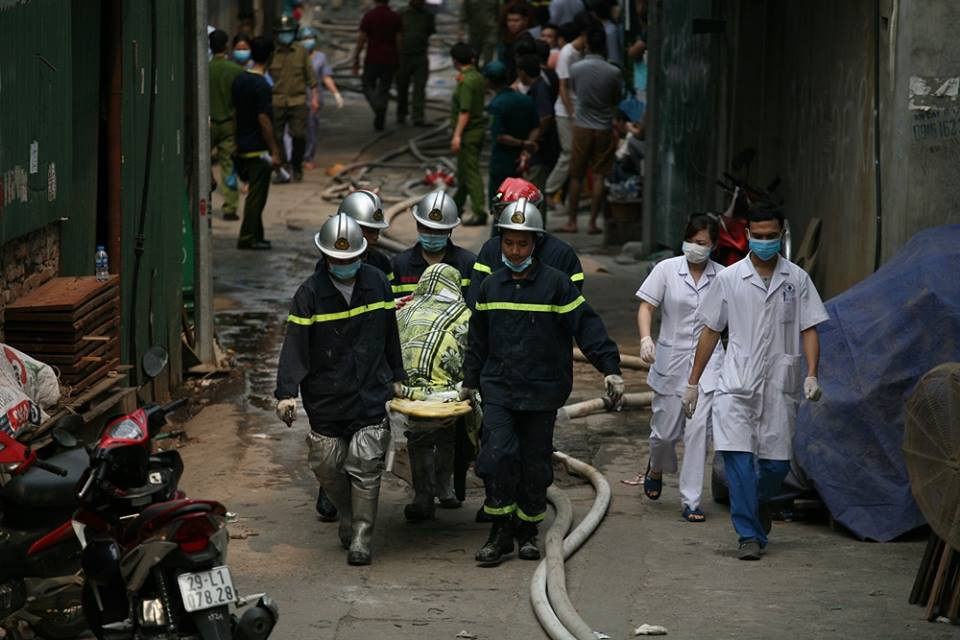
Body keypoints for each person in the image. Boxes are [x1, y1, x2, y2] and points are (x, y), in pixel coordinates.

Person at [463, 197, 624, 565]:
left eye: (523, 243)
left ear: (536, 244)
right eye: (509, 243)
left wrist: (610, 367)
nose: (515, 251)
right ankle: (499, 532)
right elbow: (478, 340)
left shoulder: (557, 286)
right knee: (497, 456)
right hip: (499, 388)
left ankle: (527, 530)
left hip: (542, 389)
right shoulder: (491, 287)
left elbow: (587, 327)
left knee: (535, 463)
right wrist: (469, 382)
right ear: (500, 242)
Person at [685, 208, 828, 560]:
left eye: (771, 235)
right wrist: (693, 382)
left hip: (780, 384)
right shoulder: (730, 278)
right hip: (736, 382)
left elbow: (809, 328)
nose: (765, 242)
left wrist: (811, 373)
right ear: (748, 234)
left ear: (782, 234)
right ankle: (748, 535)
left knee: (776, 465)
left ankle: (760, 503)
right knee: (738, 461)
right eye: (759, 235)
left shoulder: (796, 279)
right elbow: (711, 330)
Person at [275, 214, 405, 566]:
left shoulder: (377, 282)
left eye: (350, 259)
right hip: (327, 396)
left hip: (369, 392)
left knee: (365, 462)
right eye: (337, 259)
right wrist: (286, 393)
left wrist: (397, 374)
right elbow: (295, 345)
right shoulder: (310, 294)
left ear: (361, 255)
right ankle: (347, 516)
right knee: (328, 464)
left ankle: (363, 533)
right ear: (325, 256)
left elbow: (390, 332)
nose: (343, 265)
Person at [635, 214, 724, 522]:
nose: (696, 248)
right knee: (664, 434)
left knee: (699, 430)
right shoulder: (666, 270)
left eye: (703, 244)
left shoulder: (724, 277)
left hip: (710, 363)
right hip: (670, 361)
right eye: (692, 241)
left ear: (713, 246)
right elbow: (647, 305)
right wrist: (647, 338)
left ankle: (691, 501)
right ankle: (656, 465)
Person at [395, 263, 475, 521]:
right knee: (446, 437)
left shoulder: (403, 311)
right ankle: (445, 488)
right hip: (451, 397)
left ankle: (423, 495)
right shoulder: (465, 314)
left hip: (409, 394)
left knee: (419, 441)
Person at [467, 178, 583, 309]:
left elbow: (574, 313)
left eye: (523, 244)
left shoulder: (562, 255)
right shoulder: (491, 249)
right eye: (502, 213)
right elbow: (475, 304)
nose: (515, 251)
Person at [559, 26, 620, 234]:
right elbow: (615, 99)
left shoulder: (577, 69)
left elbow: (575, 91)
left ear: (587, 45)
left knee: (576, 175)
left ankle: (572, 221)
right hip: (603, 126)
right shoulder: (614, 71)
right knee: (600, 175)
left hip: (582, 125)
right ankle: (593, 222)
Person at [232, 37, 282, 250]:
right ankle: (248, 237)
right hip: (258, 149)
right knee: (256, 197)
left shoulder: (240, 79)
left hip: (242, 143)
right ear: (270, 56)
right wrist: (274, 150)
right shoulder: (262, 85)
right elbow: (264, 119)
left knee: (256, 194)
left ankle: (257, 234)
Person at [484, 61, 540, 228]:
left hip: (502, 162)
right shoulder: (525, 100)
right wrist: (527, 147)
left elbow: (500, 136)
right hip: (523, 162)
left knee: (500, 208)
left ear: (489, 81)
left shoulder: (496, 105)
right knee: (522, 204)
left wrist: (522, 143)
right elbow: (536, 127)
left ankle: (498, 245)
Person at [391, 190, 477, 299]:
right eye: (427, 229)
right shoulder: (399, 266)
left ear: (450, 230)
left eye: (439, 231)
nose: (432, 235)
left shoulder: (468, 265)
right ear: (418, 226)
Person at [269, 15, 319, 183]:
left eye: (289, 32)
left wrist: (315, 98)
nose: (286, 35)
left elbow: (311, 77)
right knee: (276, 136)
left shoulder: (301, 51)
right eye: (283, 32)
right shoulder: (271, 52)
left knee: (298, 134)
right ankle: (283, 167)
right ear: (276, 34)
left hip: (297, 101)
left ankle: (297, 164)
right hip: (276, 101)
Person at [544, 19, 587, 205]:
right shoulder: (567, 54)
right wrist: (571, 113)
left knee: (576, 153)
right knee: (568, 152)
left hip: (578, 109)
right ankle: (549, 189)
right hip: (566, 111)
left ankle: (563, 192)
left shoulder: (580, 52)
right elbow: (563, 87)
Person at [449, 43, 488, 226]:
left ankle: (479, 211)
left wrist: (457, 135)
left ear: (455, 61)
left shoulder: (465, 82)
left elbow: (465, 111)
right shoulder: (478, 77)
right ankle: (456, 207)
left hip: (469, 132)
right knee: (463, 172)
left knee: (471, 173)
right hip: (477, 130)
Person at [209, 29, 243, 221]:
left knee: (200, 163)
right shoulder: (235, 71)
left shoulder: (205, 69)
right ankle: (230, 207)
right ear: (226, 46)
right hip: (229, 124)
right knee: (228, 166)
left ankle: (201, 202)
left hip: (208, 123)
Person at [300, 26, 344, 171]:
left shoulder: (320, 57)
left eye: (310, 38)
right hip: (297, 97)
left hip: (314, 99)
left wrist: (336, 94)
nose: (308, 41)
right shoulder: (296, 56)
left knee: (311, 128)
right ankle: (292, 157)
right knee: (294, 130)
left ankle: (307, 157)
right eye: (304, 39)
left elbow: (325, 77)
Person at [353, 0, 402, 131]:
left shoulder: (369, 16)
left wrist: (356, 57)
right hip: (390, 59)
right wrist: (399, 58)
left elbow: (362, 38)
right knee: (384, 89)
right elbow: (399, 40)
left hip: (373, 58)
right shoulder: (395, 16)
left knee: (367, 85)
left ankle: (377, 106)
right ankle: (380, 119)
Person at [517, 54, 558, 206]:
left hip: (541, 149)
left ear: (522, 73)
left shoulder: (540, 89)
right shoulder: (536, 87)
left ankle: (536, 228)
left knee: (534, 193)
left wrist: (532, 140)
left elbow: (546, 117)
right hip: (539, 147)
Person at [332, 190, 393, 277]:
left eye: (377, 232)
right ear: (349, 228)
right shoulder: (332, 264)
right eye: (370, 232)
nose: (376, 237)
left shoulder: (381, 261)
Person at [396, 0, 435, 127]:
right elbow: (396, 33)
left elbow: (429, 31)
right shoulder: (401, 13)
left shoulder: (428, 14)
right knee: (402, 87)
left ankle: (418, 117)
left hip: (420, 55)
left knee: (420, 87)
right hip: (403, 56)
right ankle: (401, 113)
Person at [497, 2, 533, 83]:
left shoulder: (526, 42)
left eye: (516, 20)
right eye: (509, 20)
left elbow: (524, 70)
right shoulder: (511, 38)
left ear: (525, 20)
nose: (512, 24)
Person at [458, 0, 500, 65]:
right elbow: (463, 13)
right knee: (474, 53)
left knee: (488, 51)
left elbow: (498, 13)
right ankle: (475, 71)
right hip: (475, 31)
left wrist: (500, 28)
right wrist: (461, 29)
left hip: (490, 30)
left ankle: (487, 71)